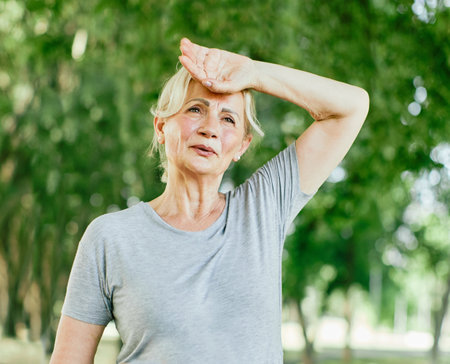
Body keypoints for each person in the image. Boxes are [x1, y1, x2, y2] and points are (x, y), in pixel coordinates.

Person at [50, 38, 369, 364]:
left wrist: (254, 73)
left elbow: (351, 107)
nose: (210, 128)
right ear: (161, 126)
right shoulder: (109, 238)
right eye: (195, 109)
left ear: (242, 146)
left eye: (228, 118)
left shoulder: (263, 208)